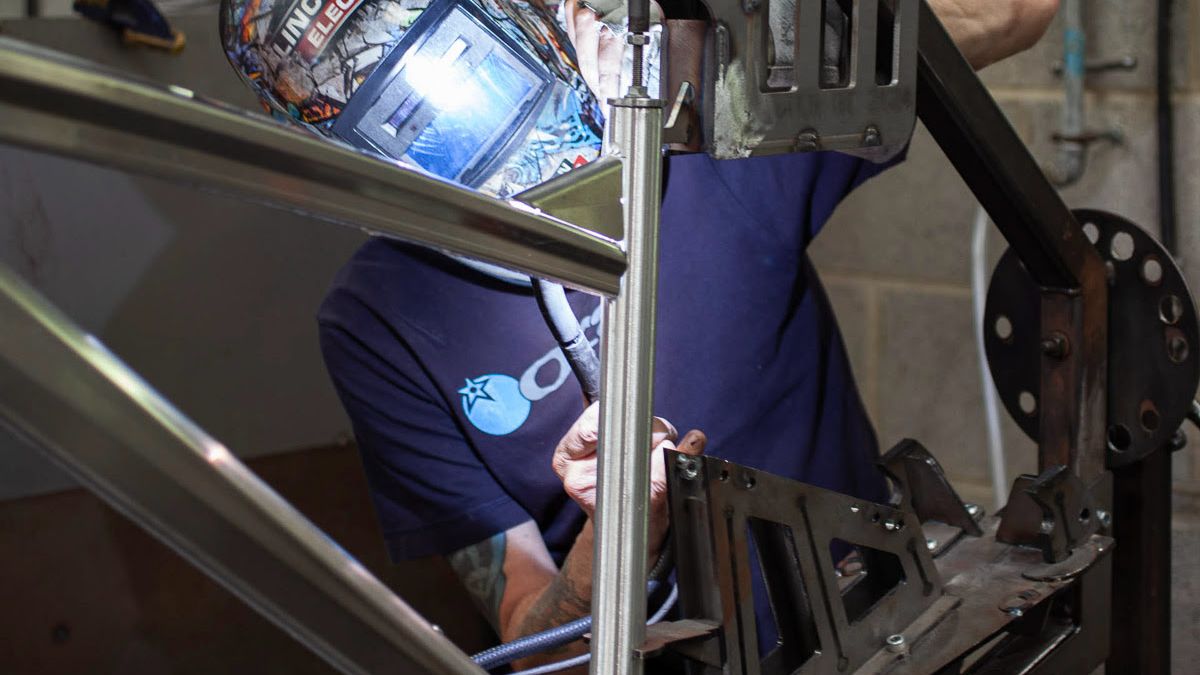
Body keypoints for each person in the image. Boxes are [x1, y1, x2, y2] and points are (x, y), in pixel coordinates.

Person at [302, 0, 1061, 669]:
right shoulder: (378, 316)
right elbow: (537, 645)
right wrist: (621, 535)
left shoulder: (698, 142)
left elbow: (1020, 10)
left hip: (878, 621)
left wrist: (700, 59)